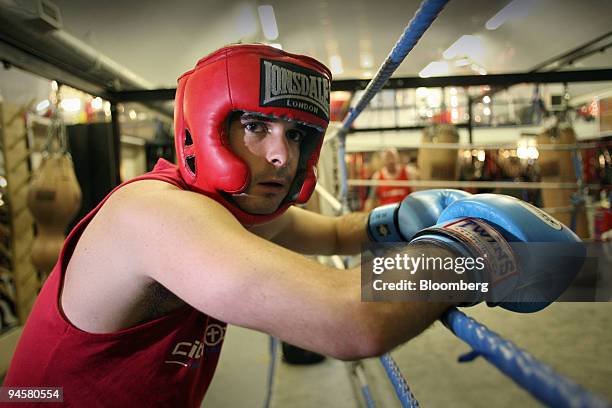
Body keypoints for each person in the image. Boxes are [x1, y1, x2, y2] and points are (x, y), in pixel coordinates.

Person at [3, 44, 583, 407]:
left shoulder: (229, 211)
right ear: (203, 127)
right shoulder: (156, 214)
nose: (282, 155)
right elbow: (351, 319)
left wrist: (402, 217)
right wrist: (473, 245)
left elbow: (331, 234)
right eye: (256, 126)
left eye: (300, 133)